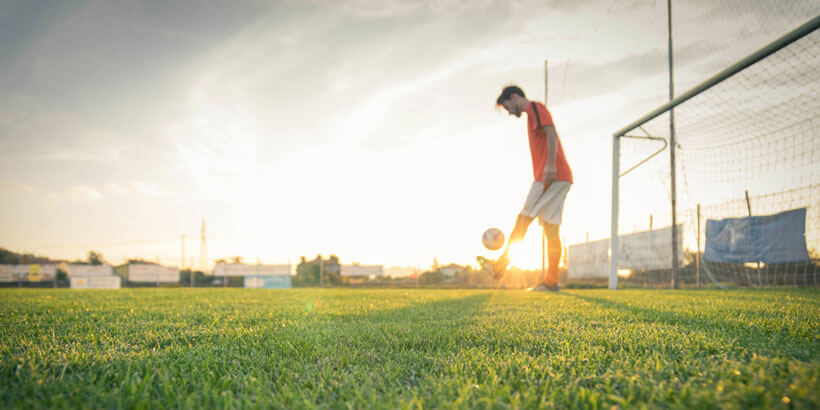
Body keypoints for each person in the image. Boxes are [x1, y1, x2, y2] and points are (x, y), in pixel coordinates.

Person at [483, 85, 573, 292]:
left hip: (550, 175)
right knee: (551, 229)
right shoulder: (531, 114)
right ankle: (551, 282)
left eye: (508, 107)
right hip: (560, 177)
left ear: (514, 97)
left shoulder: (535, 108)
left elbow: (551, 133)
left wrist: (550, 164)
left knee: (523, 219)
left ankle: (499, 267)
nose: (509, 112)